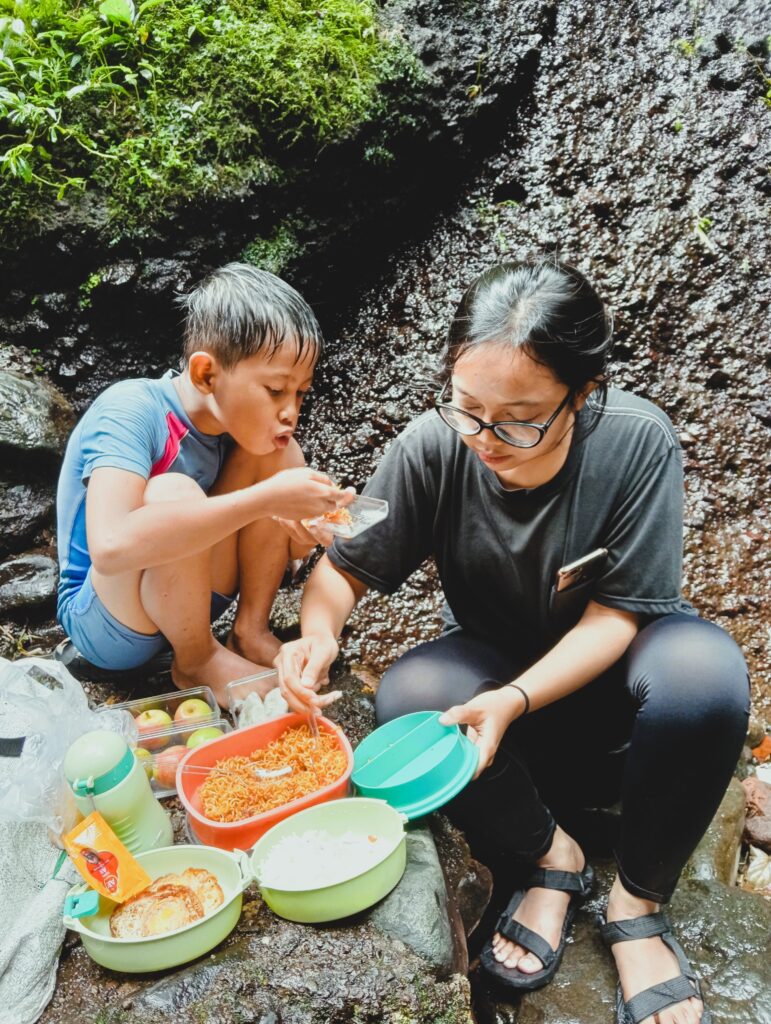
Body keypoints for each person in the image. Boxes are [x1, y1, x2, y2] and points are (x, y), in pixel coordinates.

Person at [274, 258, 750, 1024]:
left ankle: (636, 902)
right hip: (495, 676)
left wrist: (513, 699)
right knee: (409, 695)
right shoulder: (432, 445)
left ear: (582, 395)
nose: (486, 439)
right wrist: (318, 636)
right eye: (468, 408)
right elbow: (341, 569)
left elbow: (615, 617)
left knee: (705, 677)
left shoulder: (635, 443)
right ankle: (548, 857)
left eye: (519, 418)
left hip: (616, 678)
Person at [56, 263, 351, 706]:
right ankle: (197, 660)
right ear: (206, 375)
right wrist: (265, 499)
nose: (291, 410)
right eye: (275, 390)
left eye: (301, 393)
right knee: (173, 492)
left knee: (279, 455)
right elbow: (110, 546)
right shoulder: (131, 409)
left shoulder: (242, 432)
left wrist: (307, 530)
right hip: (108, 620)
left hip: (188, 599)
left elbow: (279, 551)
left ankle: (250, 632)